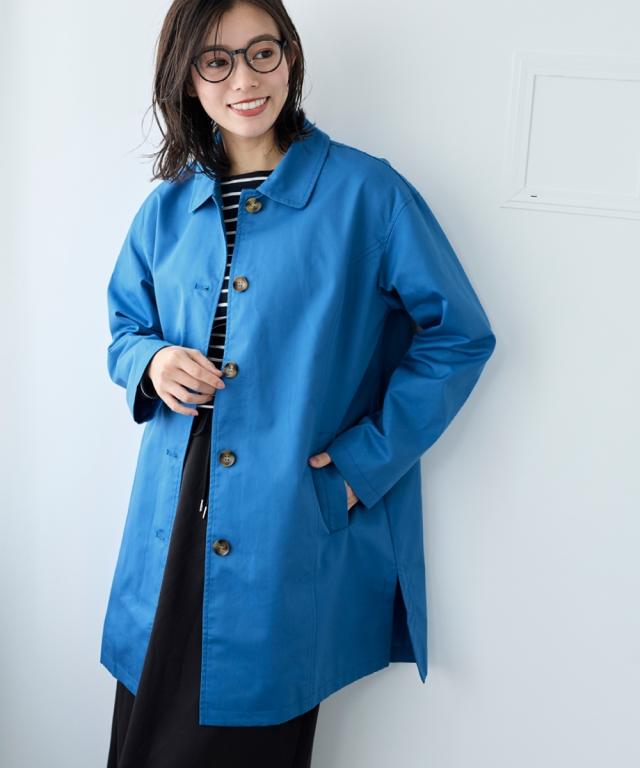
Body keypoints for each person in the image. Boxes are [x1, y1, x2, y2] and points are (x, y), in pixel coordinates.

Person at [102, 0, 497, 765]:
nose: (244, 79)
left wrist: (361, 466)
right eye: (216, 60)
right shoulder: (169, 205)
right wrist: (149, 361)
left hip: (284, 517)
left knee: (249, 736)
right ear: (187, 76)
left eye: (263, 52)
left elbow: (459, 336)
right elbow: (125, 326)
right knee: (144, 740)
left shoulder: (367, 195)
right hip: (168, 516)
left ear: (289, 55)